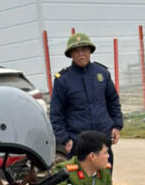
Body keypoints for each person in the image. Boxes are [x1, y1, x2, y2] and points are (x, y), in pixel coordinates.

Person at [49, 32, 123, 166]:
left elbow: (113, 102)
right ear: (70, 54)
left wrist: (117, 126)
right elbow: (56, 114)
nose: (81, 54)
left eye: (84, 49)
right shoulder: (63, 80)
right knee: (81, 179)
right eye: (76, 51)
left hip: (103, 141)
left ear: (90, 51)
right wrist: (65, 140)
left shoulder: (102, 74)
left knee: (105, 177)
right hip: (77, 145)